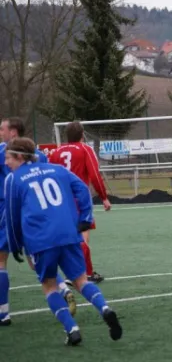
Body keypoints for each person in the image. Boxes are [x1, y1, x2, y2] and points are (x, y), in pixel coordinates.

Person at [3, 138, 122, 345]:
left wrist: (15, 246)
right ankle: (105, 308)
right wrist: (85, 219)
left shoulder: (13, 179)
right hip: (68, 234)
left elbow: (12, 217)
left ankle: (72, 329)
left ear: (20, 157)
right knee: (81, 280)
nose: (6, 163)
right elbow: (83, 189)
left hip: (40, 239)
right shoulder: (57, 169)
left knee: (49, 285)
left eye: (8, 158)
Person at [0, 118, 76, 326]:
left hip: (8, 212)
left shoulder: (4, 152)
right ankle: (63, 288)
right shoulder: (37, 154)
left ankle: (3, 313)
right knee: (36, 262)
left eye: (2, 129)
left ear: (13, 133)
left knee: (1, 262)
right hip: (34, 214)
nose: (0, 133)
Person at [50, 121, 110, 283]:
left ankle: (76, 271)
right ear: (82, 134)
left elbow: (50, 176)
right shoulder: (85, 149)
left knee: (71, 235)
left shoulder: (56, 152)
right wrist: (103, 196)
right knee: (82, 235)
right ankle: (83, 273)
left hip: (61, 200)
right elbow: (95, 174)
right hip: (79, 199)